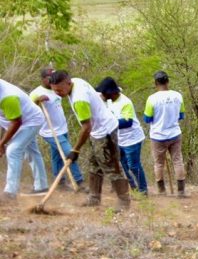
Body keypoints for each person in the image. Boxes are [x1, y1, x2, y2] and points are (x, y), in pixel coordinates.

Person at [49, 71, 130, 210]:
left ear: (68, 83)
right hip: (97, 131)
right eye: (54, 90)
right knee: (94, 164)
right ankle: (94, 198)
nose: (58, 93)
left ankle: (124, 201)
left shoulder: (79, 99)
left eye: (60, 90)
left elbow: (86, 127)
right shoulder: (76, 80)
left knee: (111, 165)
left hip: (105, 132)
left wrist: (75, 150)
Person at [31, 69, 84, 192]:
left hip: (62, 128)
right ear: (43, 78)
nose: (52, 80)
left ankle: (60, 183)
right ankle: (79, 181)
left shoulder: (56, 89)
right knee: (69, 153)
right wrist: (37, 101)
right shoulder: (36, 92)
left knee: (57, 157)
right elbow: (29, 109)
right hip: (49, 131)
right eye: (49, 77)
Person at [96, 78, 147, 196]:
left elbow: (127, 122)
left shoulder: (125, 102)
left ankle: (143, 191)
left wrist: (109, 123)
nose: (102, 94)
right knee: (123, 166)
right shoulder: (109, 101)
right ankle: (133, 188)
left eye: (104, 92)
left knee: (134, 166)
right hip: (119, 139)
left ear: (111, 92)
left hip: (132, 139)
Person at [1, 78, 49, 200]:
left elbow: (16, 122)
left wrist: (2, 143)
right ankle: (42, 186)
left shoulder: (8, 97)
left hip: (31, 121)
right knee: (32, 152)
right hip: (16, 120)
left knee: (13, 150)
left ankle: (11, 192)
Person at [144, 71, 186, 197]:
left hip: (158, 136)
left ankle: (161, 191)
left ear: (156, 83)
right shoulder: (178, 96)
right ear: (168, 81)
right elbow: (181, 115)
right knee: (178, 161)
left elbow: (147, 119)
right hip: (174, 134)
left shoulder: (152, 99)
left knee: (159, 163)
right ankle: (181, 191)